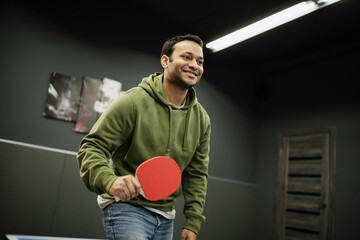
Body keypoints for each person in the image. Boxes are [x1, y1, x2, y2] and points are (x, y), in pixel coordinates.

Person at [77, 33, 211, 240]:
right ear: (165, 61)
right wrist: (109, 180)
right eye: (187, 57)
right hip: (126, 208)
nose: (195, 65)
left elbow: (196, 173)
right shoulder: (133, 101)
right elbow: (92, 147)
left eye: (199, 61)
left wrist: (193, 222)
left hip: (167, 216)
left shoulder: (202, 119)